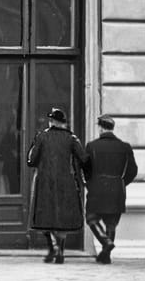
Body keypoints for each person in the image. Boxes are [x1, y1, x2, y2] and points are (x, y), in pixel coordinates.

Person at [27, 107, 87, 264]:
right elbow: (83, 157)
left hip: (44, 182)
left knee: (44, 218)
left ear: (51, 121)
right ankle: (60, 249)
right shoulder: (71, 138)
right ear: (64, 123)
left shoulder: (41, 136)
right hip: (65, 182)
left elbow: (31, 160)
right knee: (62, 219)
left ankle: (51, 248)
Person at [84, 114, 138, 264]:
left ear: (101, 128)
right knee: (111, 222)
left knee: (91, 218)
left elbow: (86, 170)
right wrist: (121, 182)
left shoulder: (92, 146)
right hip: (117, 190)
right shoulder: (125, 147)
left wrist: (90, 184)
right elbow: (133, 170)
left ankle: (106, 243)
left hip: (97, 188)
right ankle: (106, 255)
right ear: (112, 128)